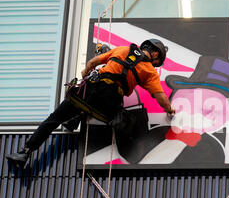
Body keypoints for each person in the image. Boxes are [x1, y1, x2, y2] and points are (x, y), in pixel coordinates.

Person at [6, 39, 176, 168]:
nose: (155, 64)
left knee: (53, 119)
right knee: (128, 122)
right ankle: (77, 118)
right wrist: (170, 110)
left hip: (89, 92)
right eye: (157, 61)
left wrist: (85, 74)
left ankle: (25, 153)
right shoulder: (149, 71)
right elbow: (160, 96)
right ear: (155, 54)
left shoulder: (122, 50)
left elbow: (92, 63)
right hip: (108, 104)